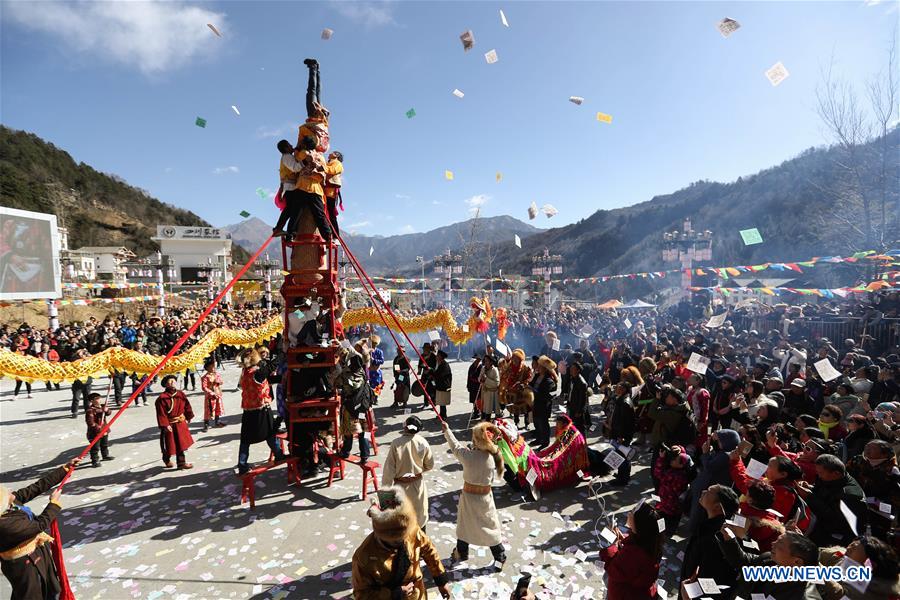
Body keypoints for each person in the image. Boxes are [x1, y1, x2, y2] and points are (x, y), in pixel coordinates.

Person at [0, 458, 81, 600]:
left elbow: (36, 488)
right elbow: (39, 525)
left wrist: (64, 469)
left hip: (37, 553)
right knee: (33, 595)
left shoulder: (11, 505)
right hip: (24, 566)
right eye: (6, 497)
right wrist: (54, 504)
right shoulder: (5, 525)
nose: (11, 494)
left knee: (51, 589)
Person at [351, 486, 450, 600]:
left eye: (405, 536)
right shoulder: (363, 556)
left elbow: (428, 549)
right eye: (397, 539)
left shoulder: (411, 530)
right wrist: (394, 594)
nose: (403, 540)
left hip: (418, 594)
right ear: (383, 536)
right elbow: (361, 594)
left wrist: (441, 580)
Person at [442, 421, 506, 569]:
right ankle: (499, 557)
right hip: (485, 499)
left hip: (469, 498)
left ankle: (462, 553)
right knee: (490, 528)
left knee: (465, 526)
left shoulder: (468, 456)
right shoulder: (492, 457)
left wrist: (447, 430)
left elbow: (455, 446)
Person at [795, 453, 867, 547]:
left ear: (836, 473)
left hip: (839, 537)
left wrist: (810, 497)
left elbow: (836, 522)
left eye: (821, 473)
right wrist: (810, 488)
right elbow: (825, 492)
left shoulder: (850, 495)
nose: (819, 476)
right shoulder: (831, 479)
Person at [679, 484, 740, 590]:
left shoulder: (715, 537)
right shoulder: (711, 524)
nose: (703, 492)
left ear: (717, 506)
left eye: (708, 491)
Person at [600, 501, 664, 600]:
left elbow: (613, 569)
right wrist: (621, 539)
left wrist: (612, 546)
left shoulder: (634, 554)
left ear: (639, 524)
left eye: (633, 511)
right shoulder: (651, 542)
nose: (630, 513)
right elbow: (633, 544)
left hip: (624, 594)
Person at [381, 416, 434, 531]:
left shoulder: (396, 444)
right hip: (418, 485)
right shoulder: (422, 442)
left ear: (405, 427)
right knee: (419, 516)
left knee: (403, 521)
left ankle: (404, 548)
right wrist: (417, 472)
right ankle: (421, 545)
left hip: (401, 487)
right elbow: (430, 465)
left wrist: (384, 498)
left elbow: (388, 472)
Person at [237, 349, 285, 474]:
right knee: (270, 433)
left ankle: (242, 465)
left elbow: (268, 378)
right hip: (261, 409)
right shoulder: (258, 373)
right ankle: (279, 454)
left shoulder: (245, 372)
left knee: (245, 439)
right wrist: (283, 352)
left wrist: (281, 378)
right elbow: (272, 366)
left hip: (248, 410)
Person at [155, 375, 195, 469]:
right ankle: (166, 458)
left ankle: (181, 463)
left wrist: (189, 415)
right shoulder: (162, 398)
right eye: (170, 381)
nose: (172, 382)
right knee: (170, 444)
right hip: (170, 424)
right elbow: (161, 413)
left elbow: (187, 406)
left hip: (180, 423)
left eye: (174, 380)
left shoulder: (180, 394)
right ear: (165, 384)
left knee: (181, 443)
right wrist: (165, 425)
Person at [532, 355, 558, 448]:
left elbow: (545, 395)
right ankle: (538, 439)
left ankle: (545, 441)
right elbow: (532, 384)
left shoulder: (549, 380)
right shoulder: (537, 376)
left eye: (540, 366)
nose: (538, 367)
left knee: (543, 423)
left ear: (544, 368)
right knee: (536, 422)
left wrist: (533, 391)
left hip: (544, 405)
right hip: (536, 403)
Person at [85, 392, 114, 467]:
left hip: (104, 429)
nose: (99, 400)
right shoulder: (90, 410)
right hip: (95, 432)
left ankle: (105, 455)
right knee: (95, 447)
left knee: (104, 444)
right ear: (92, 401)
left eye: (99, 398)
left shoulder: (102, 406)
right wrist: (98, 428)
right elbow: (90, 422)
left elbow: (109, 413)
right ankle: (95, 460)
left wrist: (107, 410)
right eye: (97, 399)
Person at [565, 361, 590, 435]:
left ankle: (582, 443)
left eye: (573, 369)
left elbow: (583, 399)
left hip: (577, 409)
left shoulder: (582, 383)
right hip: (571, 406)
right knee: (572, 426)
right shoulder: (572, 379)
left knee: (580, 428)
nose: (571, 370)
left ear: (578, 370)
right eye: (571, 368)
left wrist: (579, 411)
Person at [200, 358, 224, 432]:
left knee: (218, 407)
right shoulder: (205, 377)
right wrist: (211, 392)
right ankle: (206, 424)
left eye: (214, 366)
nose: (213, 368)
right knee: (208, 410)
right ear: (207, 368)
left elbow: (221, 382)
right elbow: (204, 387)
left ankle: (217, 421)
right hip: (210, 396)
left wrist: (218, 381)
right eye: (211, 367)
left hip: (217, 393)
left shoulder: (217, 374)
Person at [323, 150, 344, 236]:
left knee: (331, 214)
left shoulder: (337, 163)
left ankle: (335, 235)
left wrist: (321, 167)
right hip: (326, 192)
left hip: (330, 192)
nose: (330, 153)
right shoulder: (330, 163)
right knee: (327, 214)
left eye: (333, 152)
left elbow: (332, 170)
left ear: (336, 156)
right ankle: (331, 234)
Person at [479, 355, 501, 421]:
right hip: (485, 392)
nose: (485, 362)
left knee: (491, 409)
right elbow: (479, 378)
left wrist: (486, 379)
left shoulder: (495, 370)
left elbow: (497, 383)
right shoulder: (483, 368)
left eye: (487, 361)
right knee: (485, 409)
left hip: (493, 393)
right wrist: (481, 379)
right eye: (484, 360)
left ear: (491, 362)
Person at [433, 350, 452, 421]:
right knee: (441, 402)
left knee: (443, 402)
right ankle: (441, 414)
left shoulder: (444, 365)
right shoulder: (440, 363)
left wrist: (432, 372)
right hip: (440, 386)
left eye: (438, 355)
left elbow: (440, 375)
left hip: (444, 386)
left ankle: (444, 416)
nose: (436, 357)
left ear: (441, 357)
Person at [466, 354, 484, 419]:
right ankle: (475, 411)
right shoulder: (471, 366)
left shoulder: (481, 367)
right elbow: (469, 377)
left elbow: (480, 377)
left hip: (478, 386)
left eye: (477, 359)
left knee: (479, 400)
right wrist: (468, 385)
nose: (475, 360)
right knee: (473, 400)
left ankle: (480, 412)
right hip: (472, 386)